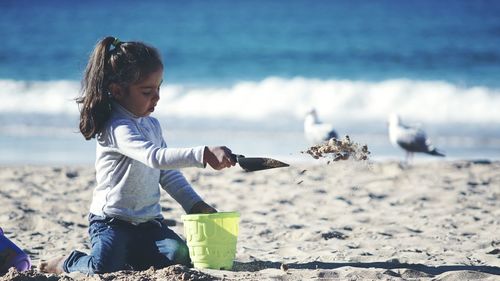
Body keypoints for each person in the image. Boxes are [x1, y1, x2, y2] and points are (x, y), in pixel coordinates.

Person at [38, 36, 236, 274]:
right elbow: (154, 157)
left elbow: (167, 174)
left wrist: (194, 205)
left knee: (180, 255)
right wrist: (203, 154)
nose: (157, 96)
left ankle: (131, 254)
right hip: (110, 222)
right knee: (104, 267)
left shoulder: (152, 125)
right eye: (147, 91)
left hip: (148, 224)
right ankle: (65, 263)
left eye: (159, 88)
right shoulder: (116, 127)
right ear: (118, 91)